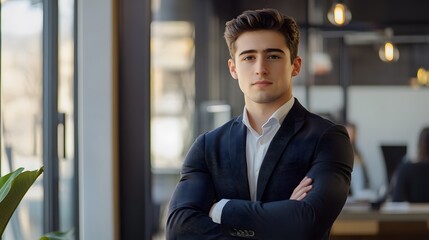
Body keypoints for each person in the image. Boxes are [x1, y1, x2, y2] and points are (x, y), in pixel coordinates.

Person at [166, 8, 353, 240]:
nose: (260, 68)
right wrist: (283, 215)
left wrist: (220, 209)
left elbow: (306, 222)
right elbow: (179, 229)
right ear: (233, 68)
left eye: (273, 56)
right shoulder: (208, 146)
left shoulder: (328, 138)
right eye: (248, 57)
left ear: (295, 65)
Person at [392, 127, 429, 202]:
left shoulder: (406, 168)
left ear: (419, 145)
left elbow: (396, 200)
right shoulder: (406, 168)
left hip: (413, 213)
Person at [345, 123, 371, 199]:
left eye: (353, 133)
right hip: (350, 194)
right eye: (349, 132)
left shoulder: (358, 153)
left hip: (360, 193)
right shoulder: (342, 152)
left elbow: (366, 177)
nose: (351, 136)